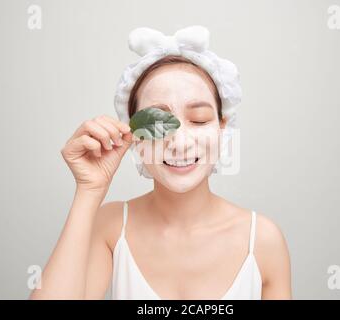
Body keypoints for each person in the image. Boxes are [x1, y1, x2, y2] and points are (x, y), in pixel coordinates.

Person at [29, 25, 291, 300]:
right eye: (157, 123)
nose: (179, 143)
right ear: (133, 135)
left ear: (222, 128)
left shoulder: (262, 239)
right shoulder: (111, 226)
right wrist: (88, 190)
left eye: (199, 119)